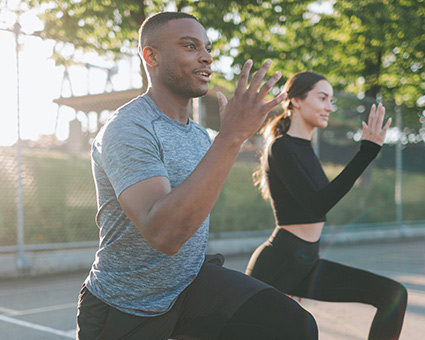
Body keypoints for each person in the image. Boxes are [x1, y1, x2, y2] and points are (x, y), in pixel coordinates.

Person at [76, 12, 319, 340]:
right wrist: (231, 137)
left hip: (187, 286)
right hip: (127, 304)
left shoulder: (200, 136)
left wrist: (225, 139)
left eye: (207, 48)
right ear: (151, 56)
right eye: (190, 47)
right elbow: (164, 235)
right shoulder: (128, 129)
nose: (206, 56)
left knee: (292, 324)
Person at [245, 71, 408, 339]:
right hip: (278, 263)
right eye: (323, 98)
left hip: (306, 262)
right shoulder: (281, 147)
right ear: (296, 100)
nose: (330, 107)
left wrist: (367, 152)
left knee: (393, 294)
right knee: (304, 329)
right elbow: (316, 205)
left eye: (331, 100)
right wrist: (365, 153)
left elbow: (319, 202)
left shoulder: (305, 148)